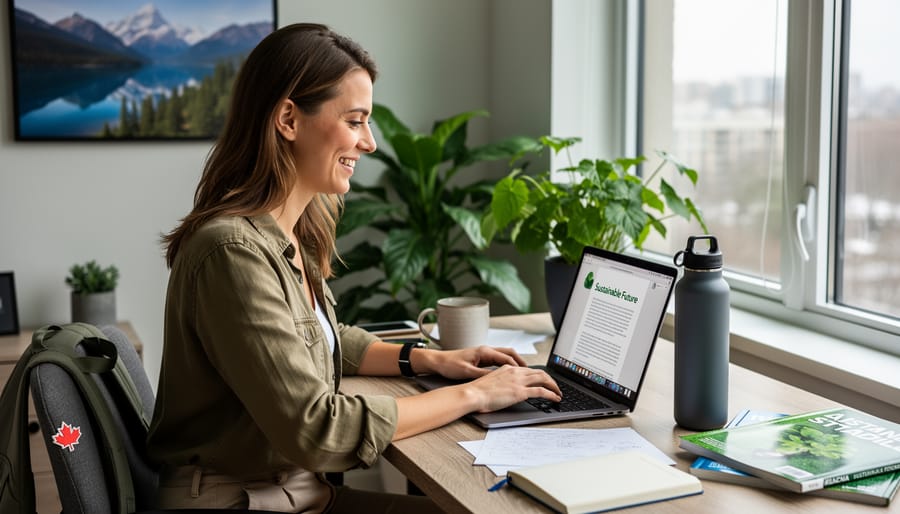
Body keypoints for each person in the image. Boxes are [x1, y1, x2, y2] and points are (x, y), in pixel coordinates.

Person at [148, 22, 561, 513]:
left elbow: (321, 338)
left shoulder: (288, 230)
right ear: (288, 119)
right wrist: (474, 395)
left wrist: (429, 360)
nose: (369, 143)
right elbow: (317, 430)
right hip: (239, 500)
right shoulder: (232, 252)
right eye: (355, 120)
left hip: (293, 491)